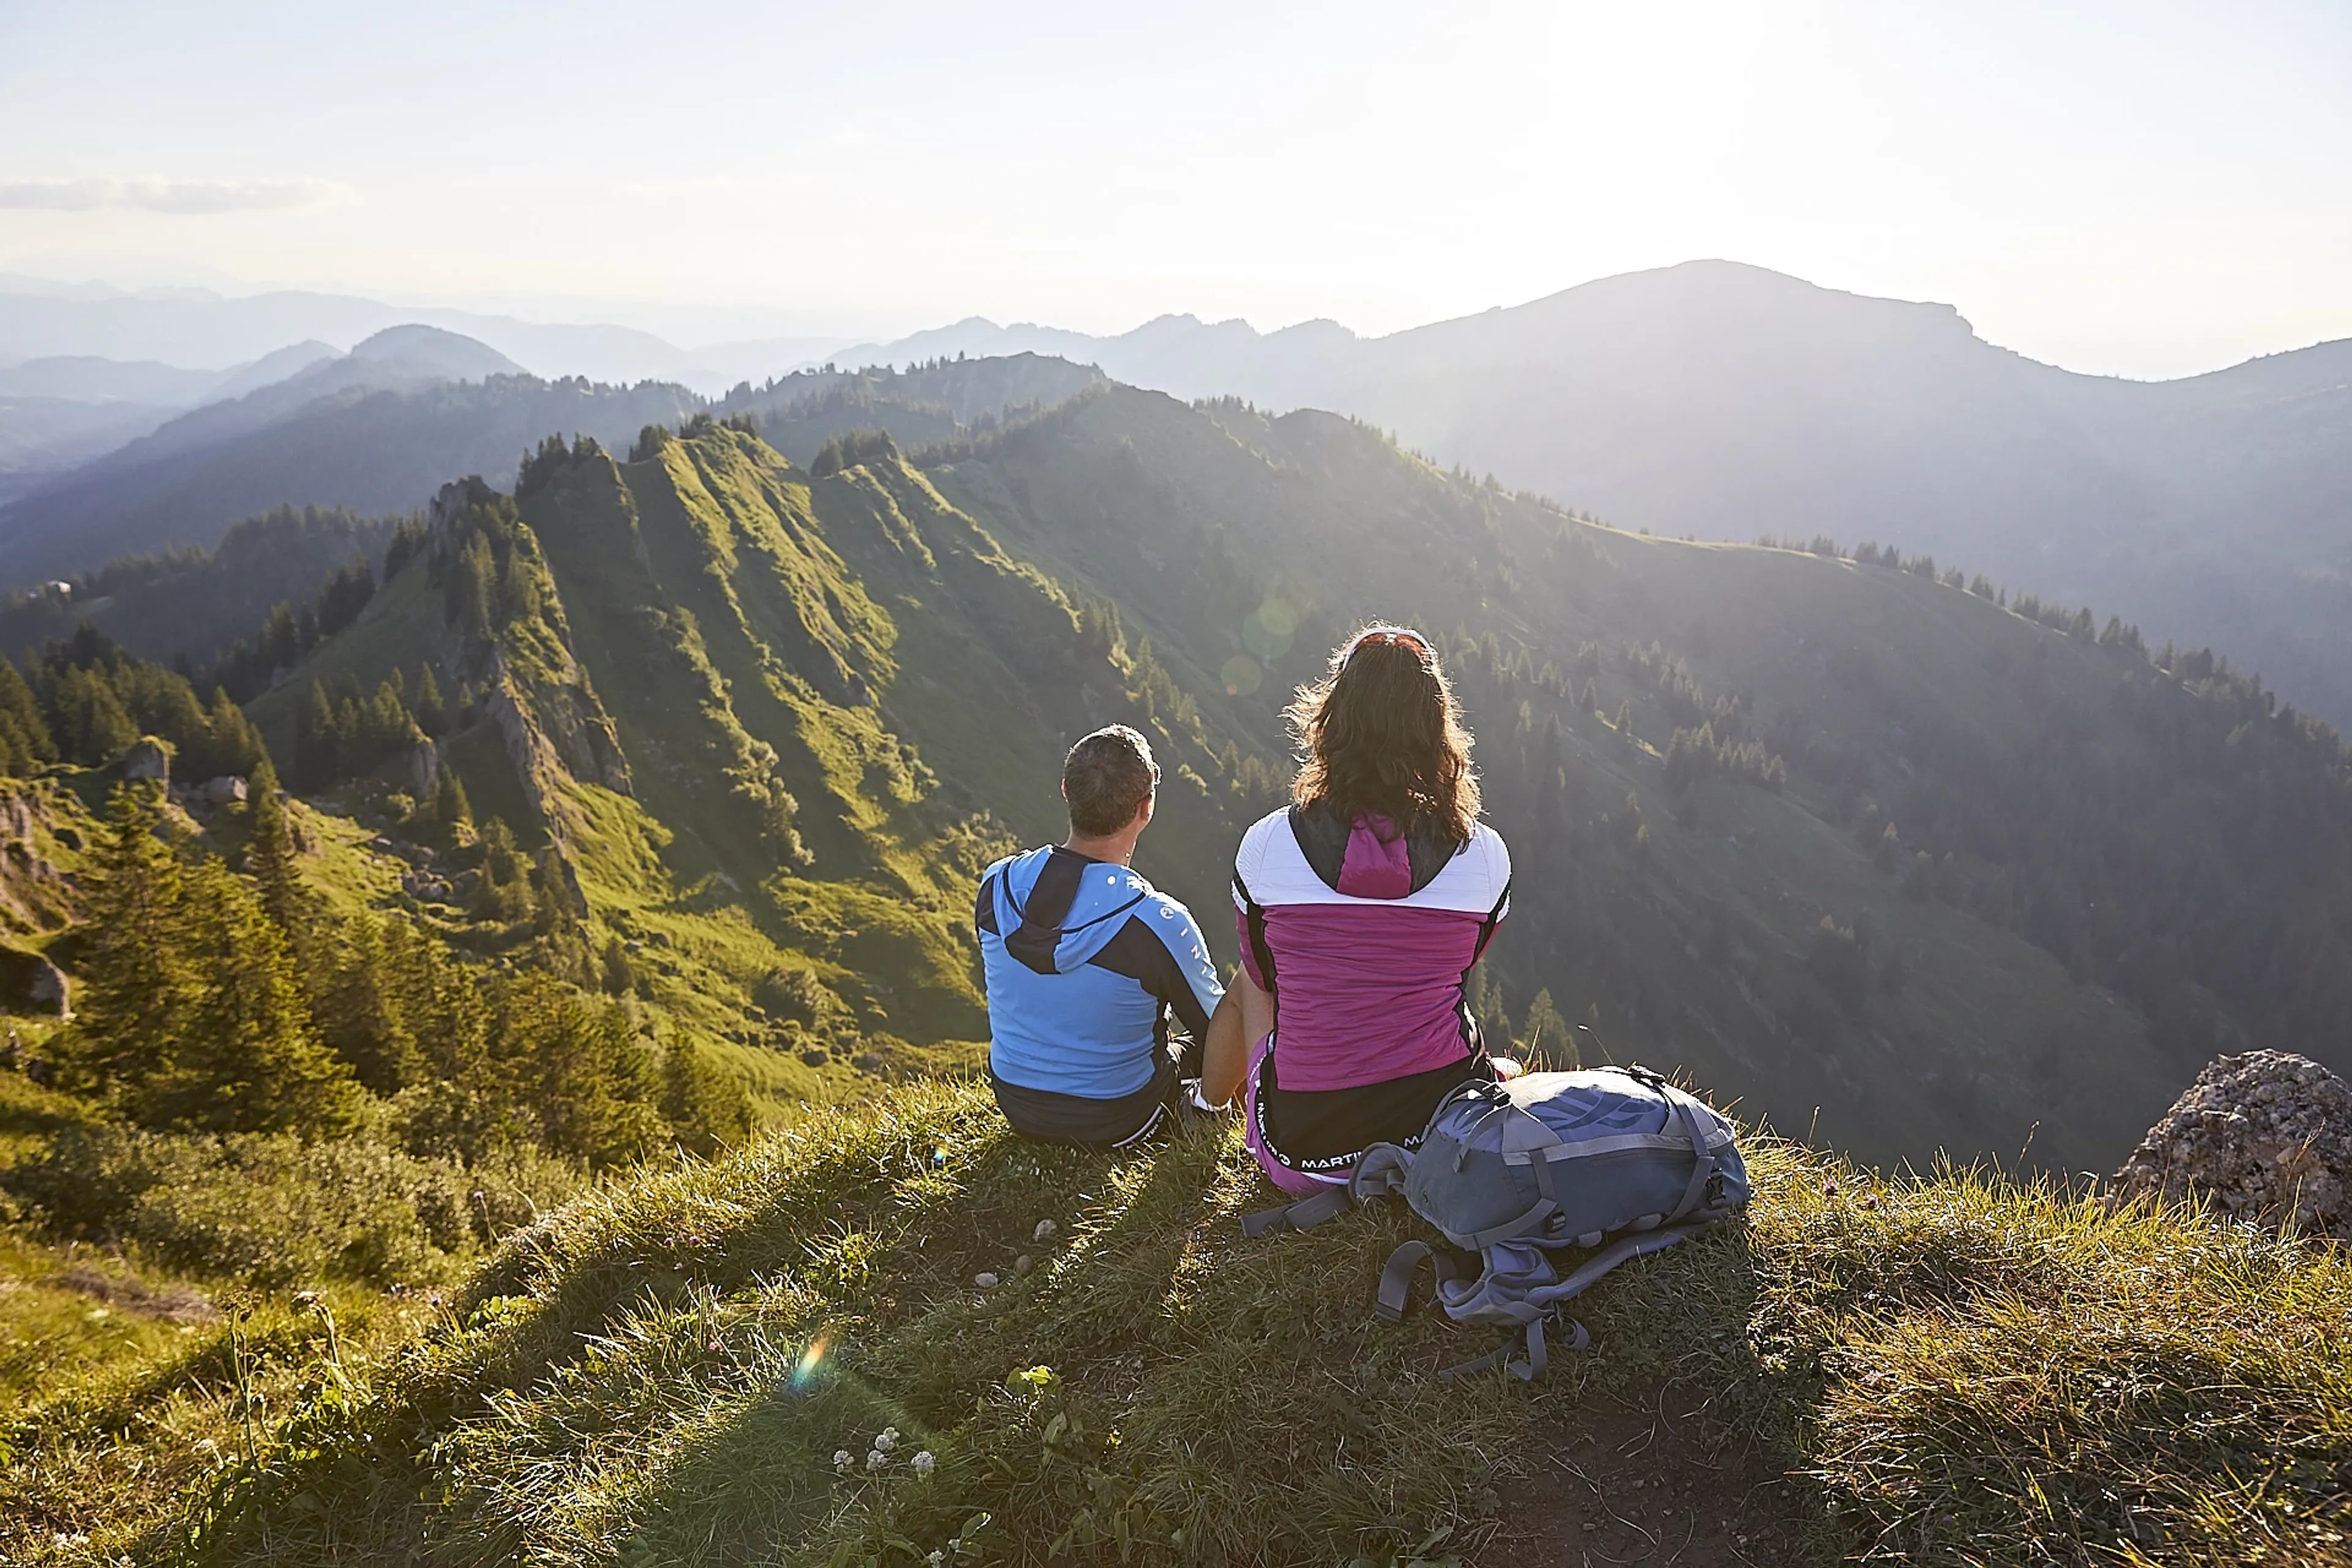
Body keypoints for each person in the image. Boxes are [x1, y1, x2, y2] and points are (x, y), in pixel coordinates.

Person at [1200, 626, 1516, 1196]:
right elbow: (1467, 964)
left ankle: (1210, 1102)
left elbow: (1265, 974)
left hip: (1304, 1154)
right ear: (1436, 729)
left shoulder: (1268, 845)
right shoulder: (1485, 855)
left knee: (1251, 979)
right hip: (1444, 1141)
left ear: (1332, 719)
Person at [978, 724, 1241, 1147]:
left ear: (1066, 790)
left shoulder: (996, 886)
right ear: (1146, 807)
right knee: (1230, 1033)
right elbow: (1219, 1031)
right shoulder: (1156, 921)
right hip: (1122, 1119)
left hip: (1016, 1103)